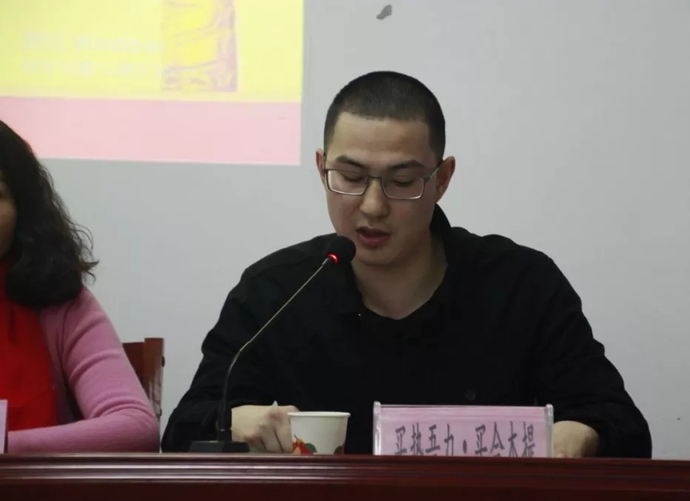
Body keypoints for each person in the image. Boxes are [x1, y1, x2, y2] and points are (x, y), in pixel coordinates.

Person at [162, 71, 652, 458]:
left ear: (442, 179)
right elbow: (182, 431)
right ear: (320, 168)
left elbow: (622, 426)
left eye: (402, 182)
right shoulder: (277, 290)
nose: (372, 206)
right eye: (350, 177)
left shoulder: (521, 286)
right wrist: (234, 422)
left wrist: (579, 434)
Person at [0, 120, 160, 453]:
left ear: (21, 210)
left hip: (30, 488)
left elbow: (134, 425)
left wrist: (6, 447)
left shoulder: (53, 298)